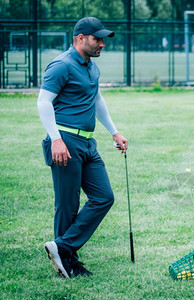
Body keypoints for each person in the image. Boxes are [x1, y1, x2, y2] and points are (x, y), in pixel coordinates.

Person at [37, 17, 128, 278]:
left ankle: (62, 248)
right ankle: (67, 261)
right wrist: (55, 139)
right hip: (65, 141)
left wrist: (114, 131)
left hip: (88, 142)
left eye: (102, 39)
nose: (102, 44)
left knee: (104, 197)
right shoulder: (61, 65)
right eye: (97, 39)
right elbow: (44, 102)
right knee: (67, 205)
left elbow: (96, 98)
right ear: (80, 38)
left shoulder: (91, 67)